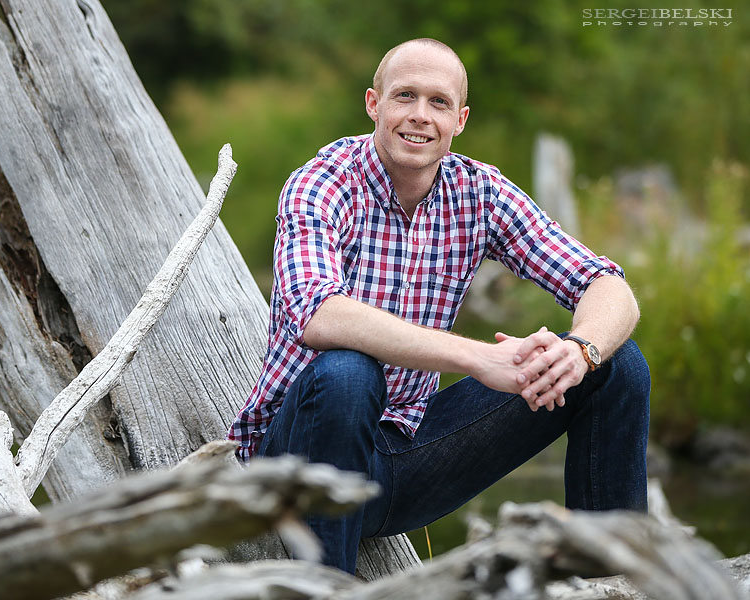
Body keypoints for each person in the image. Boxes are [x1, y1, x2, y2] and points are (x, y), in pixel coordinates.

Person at [226, 38, 650, 574]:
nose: (420, 116)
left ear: (460, 119)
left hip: (402, 459)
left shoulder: (479, 192)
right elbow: (318, 314)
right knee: (347, 373)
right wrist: (479, 359)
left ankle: (607, 580)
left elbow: (607, 285)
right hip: (294, 464)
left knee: (617, 364)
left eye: (439, 102)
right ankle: (322, 587)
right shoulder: (322, 181)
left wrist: (581, 351)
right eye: (405, 96)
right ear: (373, 104)